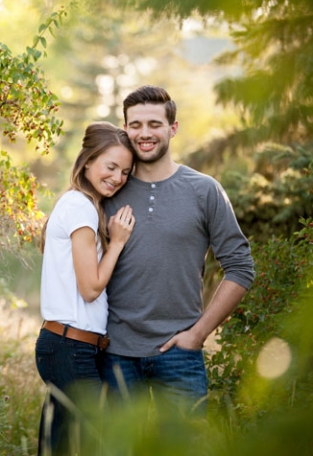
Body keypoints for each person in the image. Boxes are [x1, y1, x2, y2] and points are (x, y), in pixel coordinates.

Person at [101, 85, 255, 414]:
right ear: (125, 128)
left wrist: (198, 334)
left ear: (173, 128)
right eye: (136, 124)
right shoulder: (108, 190)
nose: (144, 133)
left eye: (154, 124)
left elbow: (241, 268)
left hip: (179, 354)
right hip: (115, 354)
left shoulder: (204, 190)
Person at [35, 121, 137, 455]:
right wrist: (118, 242)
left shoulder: (76, 203)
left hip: (67, 345)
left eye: (125, 171)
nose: (118, 177)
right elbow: (91, 288)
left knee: (59, 445)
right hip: (69, 348)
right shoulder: (80, 207)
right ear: (88, 161)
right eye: (111, 166)